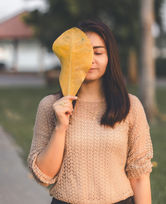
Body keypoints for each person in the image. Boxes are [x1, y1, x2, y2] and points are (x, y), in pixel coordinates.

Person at [28, 19, 154, 204]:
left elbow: (139, 176)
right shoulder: (50, 106)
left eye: (98, 52)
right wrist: (60, 128)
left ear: (109, 56)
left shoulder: (130, 106)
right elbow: (43, 176)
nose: (90, 59)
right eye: (83, 53)